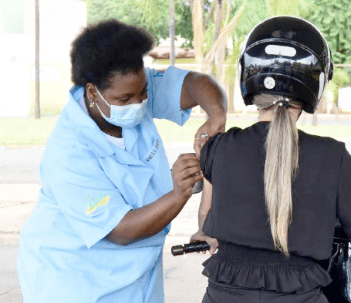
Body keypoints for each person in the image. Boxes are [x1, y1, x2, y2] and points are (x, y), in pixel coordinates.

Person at [17, 19, 226, 303]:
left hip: (135, 275)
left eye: (143, 94)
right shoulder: (69, 155)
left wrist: (216, 114)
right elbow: (121, 231)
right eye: (126, 98)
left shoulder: (131, 87)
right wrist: (179, 194)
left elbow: (195, 84)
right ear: (93, 93)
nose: (138, 105)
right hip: (76, 281)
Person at [190, 16, 351, 303]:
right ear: (317, 83)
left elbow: (206, 218)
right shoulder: (331, 156)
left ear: (247, 76)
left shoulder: (219, 148)